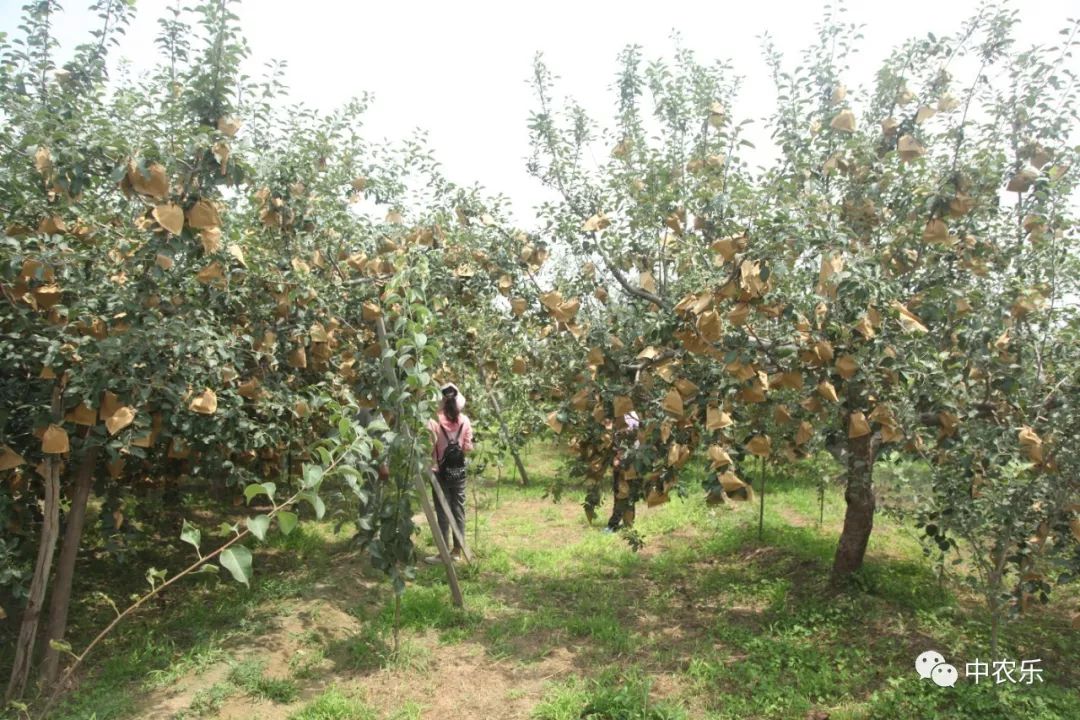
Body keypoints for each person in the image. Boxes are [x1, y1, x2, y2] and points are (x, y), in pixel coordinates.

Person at [425, 383, 473, 564]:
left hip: (440, 472)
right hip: (459, 472)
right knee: (458, 508)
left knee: (442, 510)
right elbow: (468, 447)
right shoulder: (465, 420)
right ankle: (457, 551)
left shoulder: (433, 421)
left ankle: (443, 552)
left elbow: (429, 447)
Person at [604, 411, 640, 532]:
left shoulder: (629, 416)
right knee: (625, 493)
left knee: (622, 493)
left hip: (627, 461)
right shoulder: (624, 414)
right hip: (626, 460)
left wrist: (620, 458)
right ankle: (628, 523)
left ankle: (613, 524)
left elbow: (629, 438)